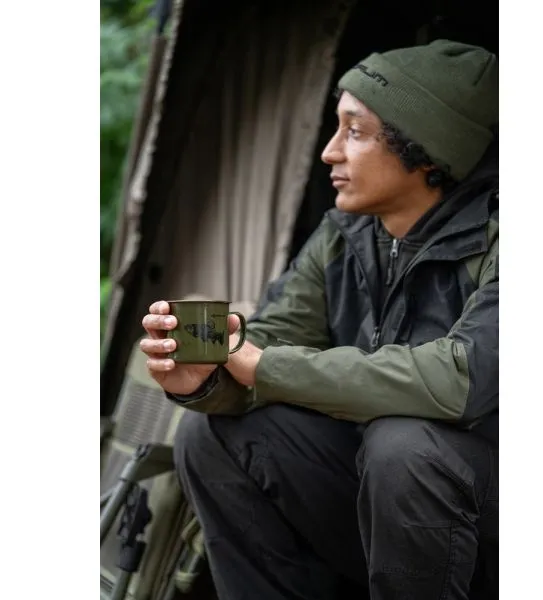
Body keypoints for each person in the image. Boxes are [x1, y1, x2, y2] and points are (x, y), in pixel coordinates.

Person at [140, 39, 499, 600]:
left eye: (354, 132)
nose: (329, 152)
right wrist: (209, 379)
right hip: (384, 506)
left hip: (487, 523)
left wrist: (265, 366)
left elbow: (464, 379)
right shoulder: (345, 233)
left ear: (427, 150)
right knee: (211, 433)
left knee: (402, 446)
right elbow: (271, 339)